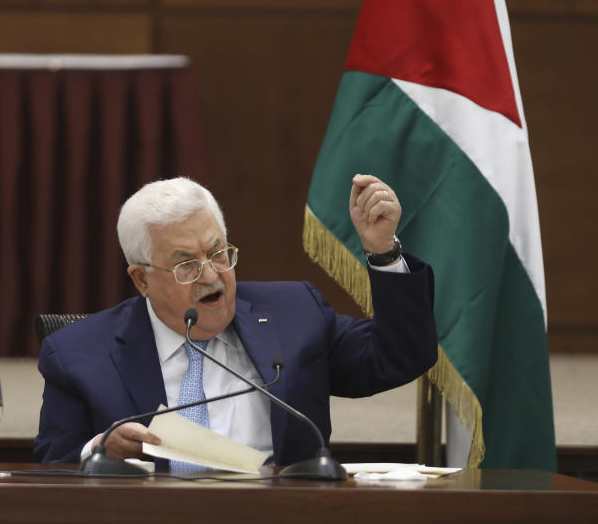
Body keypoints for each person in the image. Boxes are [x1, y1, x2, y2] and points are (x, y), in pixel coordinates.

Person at [34, 175, 437, 468]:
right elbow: (51, 472)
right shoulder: (78, 354)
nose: (211, 276)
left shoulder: (294, 313)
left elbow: (399, 356)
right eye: (187, 265)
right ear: (141, 279)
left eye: (218, 253)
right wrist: (101, 451)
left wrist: (383, 253)